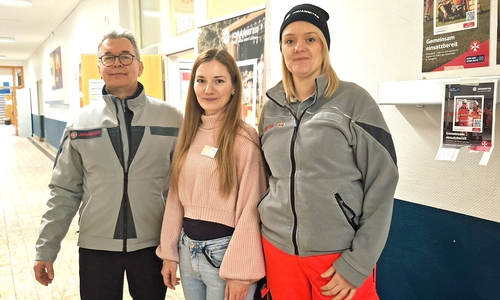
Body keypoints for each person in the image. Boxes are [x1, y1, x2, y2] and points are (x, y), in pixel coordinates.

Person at [258, 4, 399, 300]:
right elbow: (267, 178)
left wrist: (358, 263)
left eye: (310, 39)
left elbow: (382, 184)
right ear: (282, 49)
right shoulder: (270, 108)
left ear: (324, 47)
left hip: (337, 258)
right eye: (290, 40)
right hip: (278, 251)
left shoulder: (355, 101)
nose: (299, 47)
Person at [33, 29, 183, 300]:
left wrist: (175, 245)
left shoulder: (171, 118)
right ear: (99, 67)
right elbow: (64, 192)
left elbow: (183, 187)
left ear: (140, 65)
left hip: (153, 245)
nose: (117, 63)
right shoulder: (80, 123)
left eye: (125, 57)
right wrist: (46, 249)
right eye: (108, 57)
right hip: (96, 246)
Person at [156, 48, 267, 300]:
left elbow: (252, 208)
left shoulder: (244, 138)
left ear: (234, 87)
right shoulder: (189, 133)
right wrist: (169, 254)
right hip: (187, 250)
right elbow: (176, 197)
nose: (208, 90)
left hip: (226, 256)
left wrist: (241, 272)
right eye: (201, 80)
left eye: (219, 81)